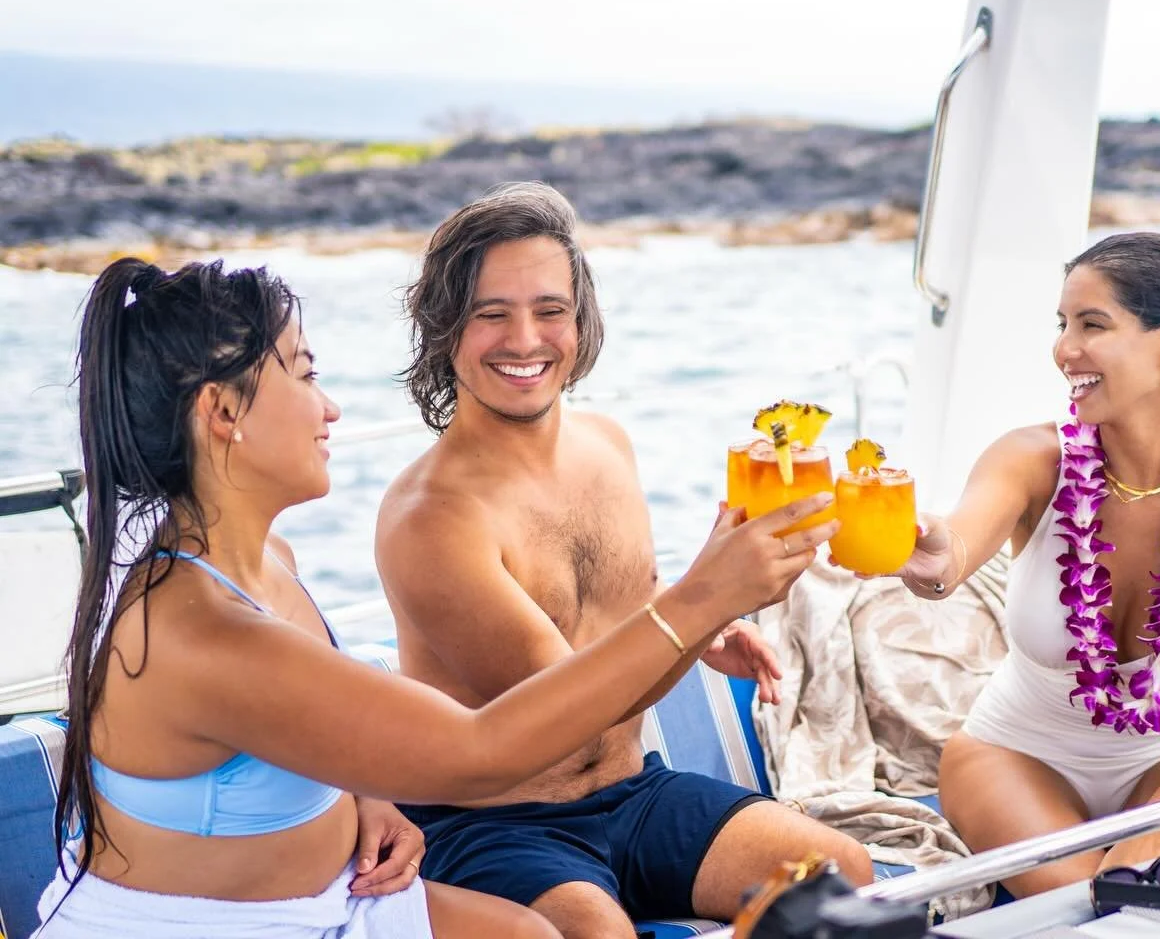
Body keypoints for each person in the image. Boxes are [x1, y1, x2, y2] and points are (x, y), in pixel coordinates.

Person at [36, 256, 828, 938]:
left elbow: (292, 726)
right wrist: (702, 598)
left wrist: (361, 797)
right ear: (222, 412)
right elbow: (480, 753)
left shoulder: (265, 561)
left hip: (329, 899)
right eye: (306, 375)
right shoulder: (197, 629)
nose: (330, 408)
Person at [376, 181, 873, 937]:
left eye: (550, 310)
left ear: (582, 321)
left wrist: (705, 629)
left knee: (839, 875)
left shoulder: (609, 446)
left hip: (633, 791)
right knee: (595, 931)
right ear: (444, 329)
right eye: (490, 314)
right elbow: (571, 714)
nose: (525, 339)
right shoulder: (431, 517)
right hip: (492, 824)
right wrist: (709, 598)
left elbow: (630, 603)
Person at [887, 232, 1160, 897]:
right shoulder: (1030, 460)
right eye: (1062, 324)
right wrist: (934, 557)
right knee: (1094, 914)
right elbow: (956, 546)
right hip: (1016, 756)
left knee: (1153, 905)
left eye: (1092, 324)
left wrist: (1145, 838)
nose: (1064, 349)